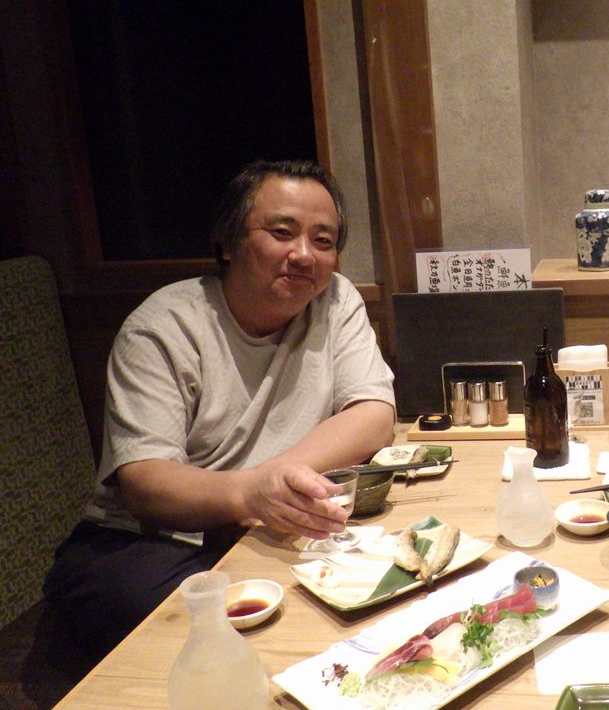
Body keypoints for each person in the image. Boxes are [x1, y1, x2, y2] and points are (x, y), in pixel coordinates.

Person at [45, 159, 396, 661]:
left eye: (323, 241)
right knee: (179, 625)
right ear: (229, 242)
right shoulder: (163, 326)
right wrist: (250, 492)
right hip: (150, 540)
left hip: (267, 523)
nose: (304, 255)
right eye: (282, 233)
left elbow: (373, 412)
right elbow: (146, 481)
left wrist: (275, 483)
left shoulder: (334, 300)